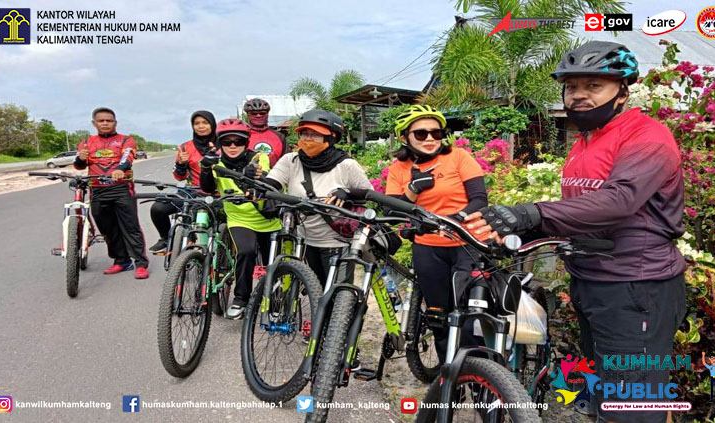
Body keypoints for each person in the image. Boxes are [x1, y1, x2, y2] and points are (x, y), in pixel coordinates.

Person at [464, 41, 687, 423]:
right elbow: (580, 211)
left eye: (593, 85)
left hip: (635, 287)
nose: (579, 95)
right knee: (616, 396)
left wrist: (528, 213)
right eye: (571, 87)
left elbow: (620, 201)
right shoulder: (585, 141)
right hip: (591, 281)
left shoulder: (646, 136)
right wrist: (516, 233)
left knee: (633, 407)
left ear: (623, 91)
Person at [384, 104, 489, 364]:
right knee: (438, 315)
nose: (430, 138)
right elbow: (392, 209)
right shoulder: (399, 168)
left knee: (468, 314)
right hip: (428, 247)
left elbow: (479, 198)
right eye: (420, 134)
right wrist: (412, 190)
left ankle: (479, 375)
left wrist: (456, 219)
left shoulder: (458, 157)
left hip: (466, 242)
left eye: (436, 132)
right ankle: (448, 374)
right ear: (404, 137)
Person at [258, 109, 372, 285]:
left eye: (316, 135)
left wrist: (347, 192)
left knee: (338, 294)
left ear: (331, 138)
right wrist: (256, 181)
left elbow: (369, 194)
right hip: (304, 239)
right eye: (304, 134)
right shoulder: (291, 161)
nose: (308, 139)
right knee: (316, 289)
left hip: (336, 241)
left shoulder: (346, 165)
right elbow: (272, 183)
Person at [199, 118, 280, 319]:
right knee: (246, 252)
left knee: (275, 262)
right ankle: (241, 299)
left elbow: (265, 178)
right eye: (227, 142)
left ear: (247, 142)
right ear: (220, 144)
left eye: (238, 142)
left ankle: (277, 300)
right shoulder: (215, 161)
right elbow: (208, 188)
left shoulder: (259, 158)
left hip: (267, 217)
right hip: (239, 219)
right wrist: (206, 169)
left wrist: (252, 176)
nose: (233, 146)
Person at [74, 107, 149, 279]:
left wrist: (120, 169)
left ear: (115, 122)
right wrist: (81, 158)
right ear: (94, 123)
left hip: (121, 188)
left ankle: (141, 263)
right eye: (101, 121)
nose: (105, 123)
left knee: (131, 227)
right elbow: (78, 166)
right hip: (98, 190)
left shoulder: (125, 140)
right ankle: (121, 261)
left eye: (109, 120)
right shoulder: (86, 142)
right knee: (108, 228)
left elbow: (128, 157)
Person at [148, 111, 216, 253]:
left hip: (217, 193)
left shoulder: (224, 144)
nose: (201, 126)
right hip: (192, 192)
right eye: (196, 123)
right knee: (158, 208)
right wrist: (181, 164)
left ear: (212, 125)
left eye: (205, 122)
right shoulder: (185, 147)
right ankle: (166, 239)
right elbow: (179, 177)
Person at [243, 98, 287, 166]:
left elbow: (288, 161)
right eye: (254, 114)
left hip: (274, 175)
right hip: (246, 175)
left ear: (267, 114)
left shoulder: (280, 137)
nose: (258, 115)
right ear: (248, 115)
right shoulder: (242, 135)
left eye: (262, 113)